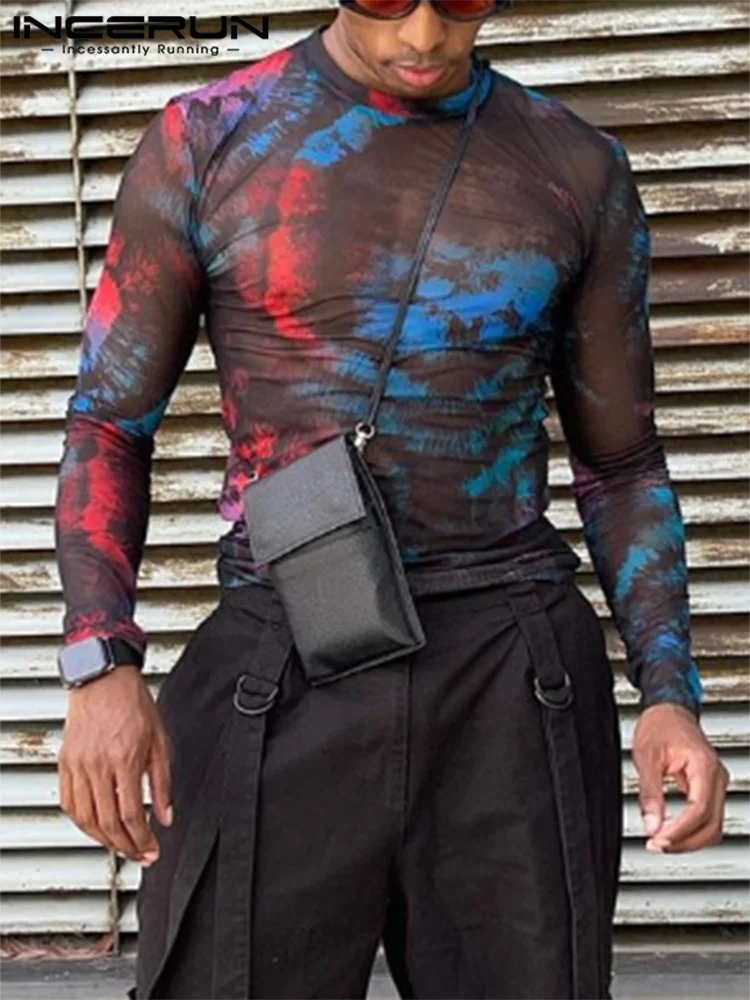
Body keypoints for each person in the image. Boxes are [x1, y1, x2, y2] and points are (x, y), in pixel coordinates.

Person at [53, 2, 730, 997]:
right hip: (284, 652)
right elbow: (110, 424)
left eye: (457, 1)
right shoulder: (208, 139)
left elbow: (621, 462)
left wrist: (670, 692)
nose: (421, 35)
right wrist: (99, 660)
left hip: (509, 673)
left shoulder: (576, 166)